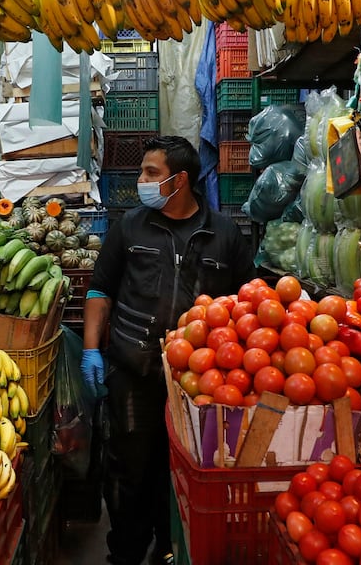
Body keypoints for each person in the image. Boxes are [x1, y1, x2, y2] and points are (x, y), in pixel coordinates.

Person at [81, 135, 255, 565]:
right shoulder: (130, 226)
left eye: (151, 173)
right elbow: (100, 289)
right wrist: (92, 351)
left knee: (181, 470)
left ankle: (171, 548)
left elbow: (249, 305)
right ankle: (124, 552)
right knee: (129, 469)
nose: (141, 180)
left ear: (180, 181)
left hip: (199, 380)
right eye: (142, 171)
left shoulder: (224, 234)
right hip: (133, 368)